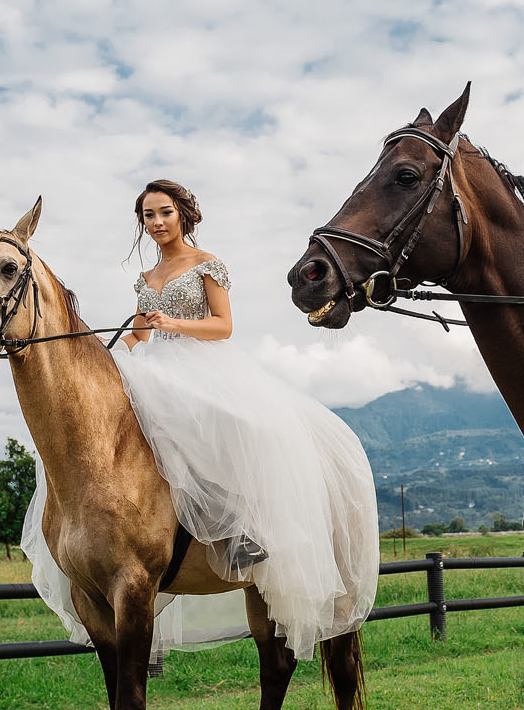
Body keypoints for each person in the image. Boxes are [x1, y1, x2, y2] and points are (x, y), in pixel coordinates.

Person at [21, 179, 378, 658]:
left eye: (164, 212)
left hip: (205, 363)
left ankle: (239, 532)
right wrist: (115, 355)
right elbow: (140, 336)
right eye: (148, 216)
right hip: (156, 364)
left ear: (182, 215)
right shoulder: (147, 278)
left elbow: (223, 326)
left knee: (230, 423)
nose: (157, 223)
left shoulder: (208, 264)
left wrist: (175, 325)